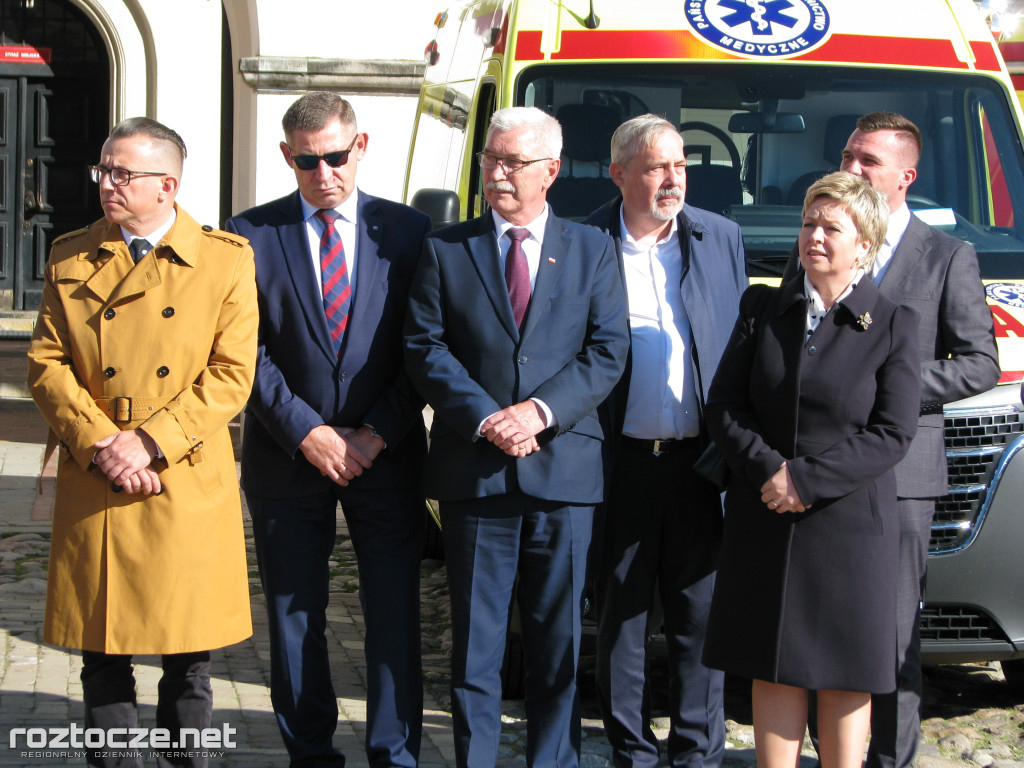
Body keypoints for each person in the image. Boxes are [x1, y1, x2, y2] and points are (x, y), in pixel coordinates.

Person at [26, 117, 257, 768]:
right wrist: (104, 442)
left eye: (123, 173)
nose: (108, 184)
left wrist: (150, 442)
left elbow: (232, 374)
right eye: (104, 170)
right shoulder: (70, 254)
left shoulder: (224, 259)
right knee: (102, 653)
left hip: (179, 474)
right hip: (96, 469)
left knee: (187, 659)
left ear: (168, 184)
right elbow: (46, 363)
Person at [404, 106, 629, 768]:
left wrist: (537, 412)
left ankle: (552, 761)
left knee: (556, 645)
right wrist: (486, 416)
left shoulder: (591, 248)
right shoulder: (448, 248)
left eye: (513, 162)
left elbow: (608, 350)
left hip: (562, 476)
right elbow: (424, 347)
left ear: (551, 171)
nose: (497, 173)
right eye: (490, 160)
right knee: (476, 644)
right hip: (477, 475)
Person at [783, 112, 1000, 768]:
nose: (850, 169)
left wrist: (890, 381)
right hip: (819, 469)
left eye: (867, 161)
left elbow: (979, 362)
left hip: (901, 478)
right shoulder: (819, 243)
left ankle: (890, 761)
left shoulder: (946, 255)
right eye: (846, 155)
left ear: (905, 176)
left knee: (890, 635)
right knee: (820, 631)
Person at [225, 92, 429, 768]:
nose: (324, 173)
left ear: (360, 147)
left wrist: (375, 433)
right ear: (288, 157)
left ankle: (393, 752)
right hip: (287, 459)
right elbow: (241, 350)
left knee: (395, 615)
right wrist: (305, 432)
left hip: (388, 457)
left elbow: (424, 347)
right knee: (293, 618)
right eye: (308, 161)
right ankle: (309, 754)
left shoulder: (410, 232)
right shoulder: (248, 235)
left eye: (336, 157)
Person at [704, 171, 921, 768]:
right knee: (773, 665)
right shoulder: (763, 306)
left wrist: (805, 480)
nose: (814, 237)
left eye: (831, 227)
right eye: (808, 223)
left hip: (847, 527)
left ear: (865, 244)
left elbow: (892, 433)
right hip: (765, 513)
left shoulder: (895, 323)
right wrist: (769, 471)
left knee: (846, 675)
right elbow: (725, 405)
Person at [583, 114, 746, 768]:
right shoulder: (585, 241)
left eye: (680, 165)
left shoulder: (719, 237)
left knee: (701, 617)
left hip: (700, 466)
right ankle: (630, 751)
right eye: (656, 167)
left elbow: (734, 348)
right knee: (621, 620)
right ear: (620, 174)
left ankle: (697, 753)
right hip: (617, 463)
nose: (672, 179)